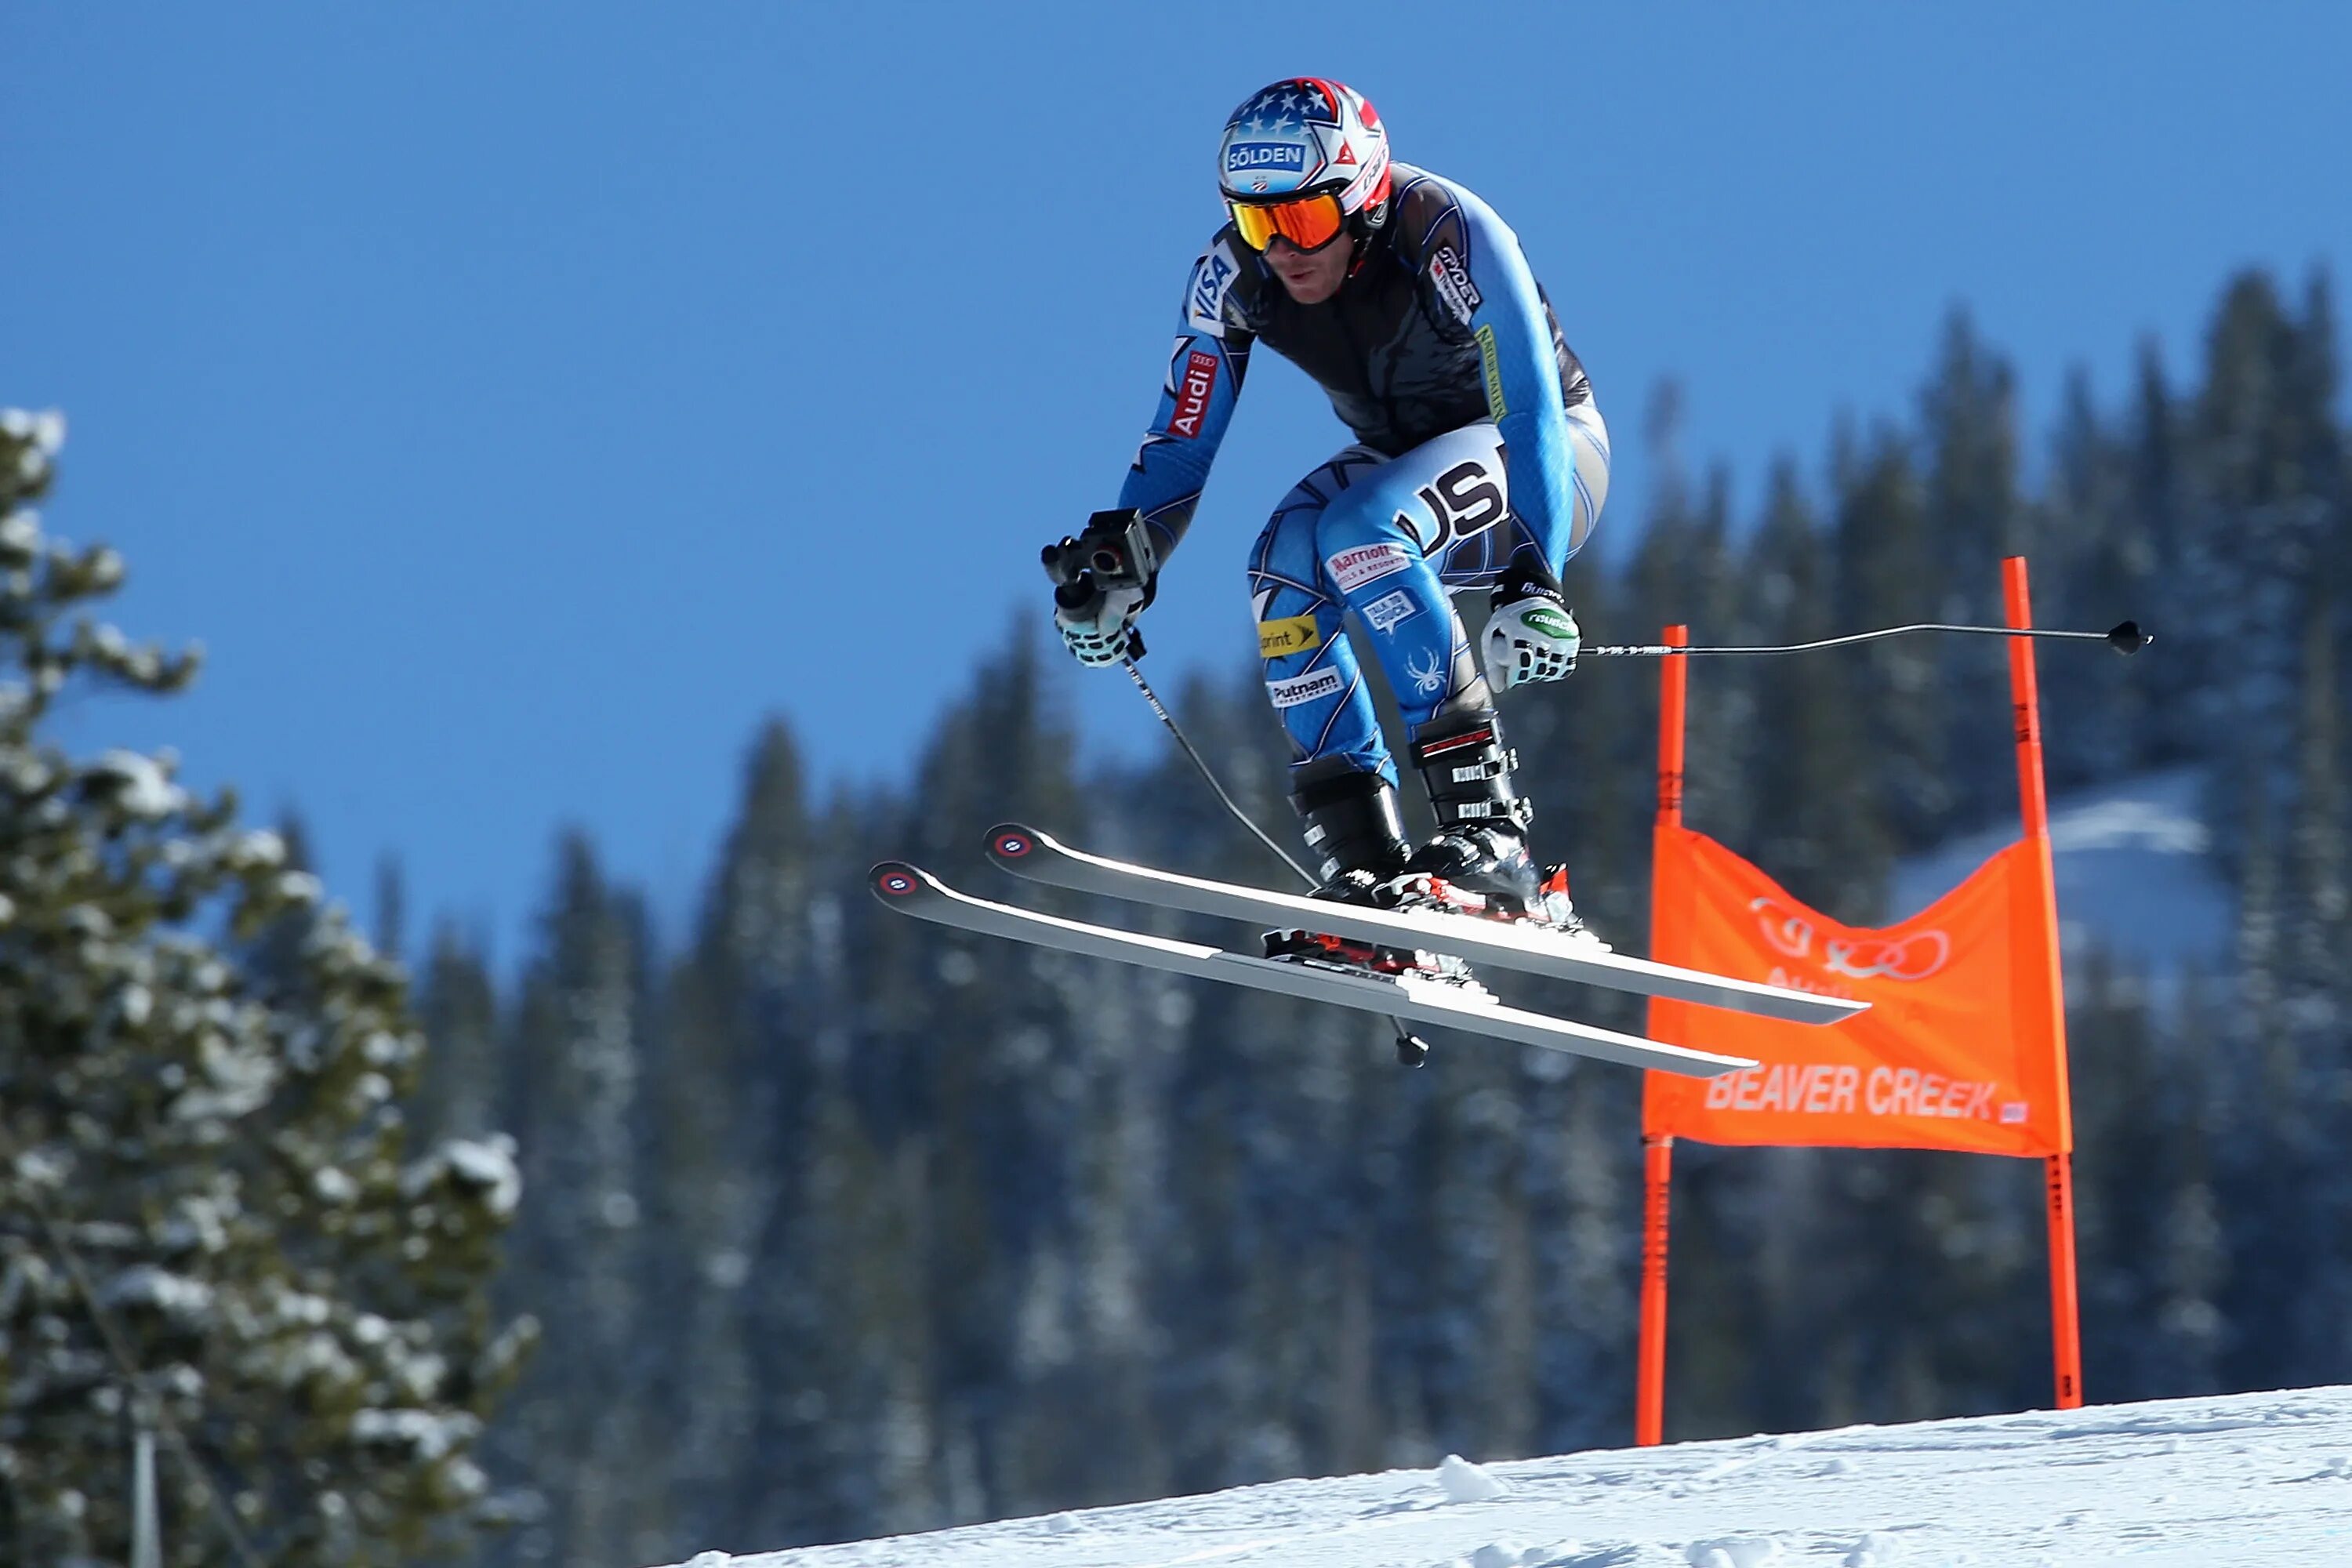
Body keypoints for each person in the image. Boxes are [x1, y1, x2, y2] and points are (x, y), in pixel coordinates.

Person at [1054, 77, 1608, 924]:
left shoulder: (1449, 233)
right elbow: (1181, 436)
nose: (1281, 247)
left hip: (1548, 454)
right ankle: (1369, 866)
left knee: (1360, 528)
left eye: (1304, 219)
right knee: (1281, 562)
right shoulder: (1231, 277)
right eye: (1254, 219)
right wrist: (1123, 559)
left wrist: (1536, 578)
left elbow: (1527, 401)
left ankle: (1488, 836)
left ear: (1365, 200)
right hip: (1404, 463)